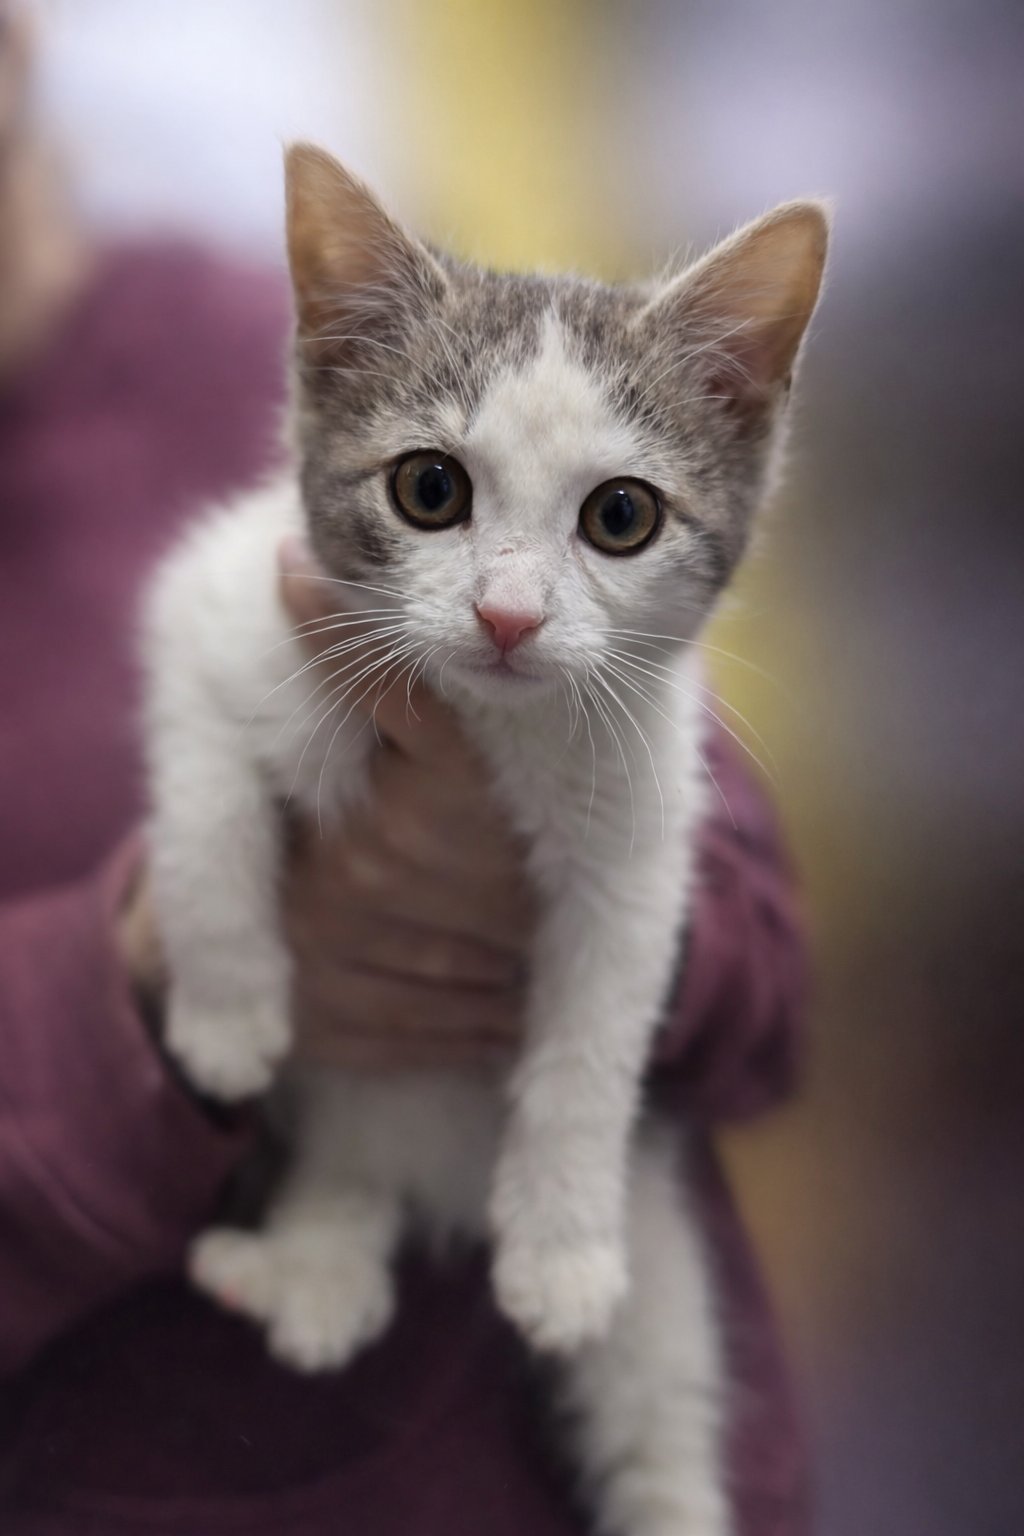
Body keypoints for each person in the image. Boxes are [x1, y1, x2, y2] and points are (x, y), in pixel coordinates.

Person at [0, 11, 809, 1532]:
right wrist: (134, 984)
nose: (511, 600)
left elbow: (763, 986)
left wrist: (542, 910)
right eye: (435, 492)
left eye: (616, 523)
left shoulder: (325, 335)